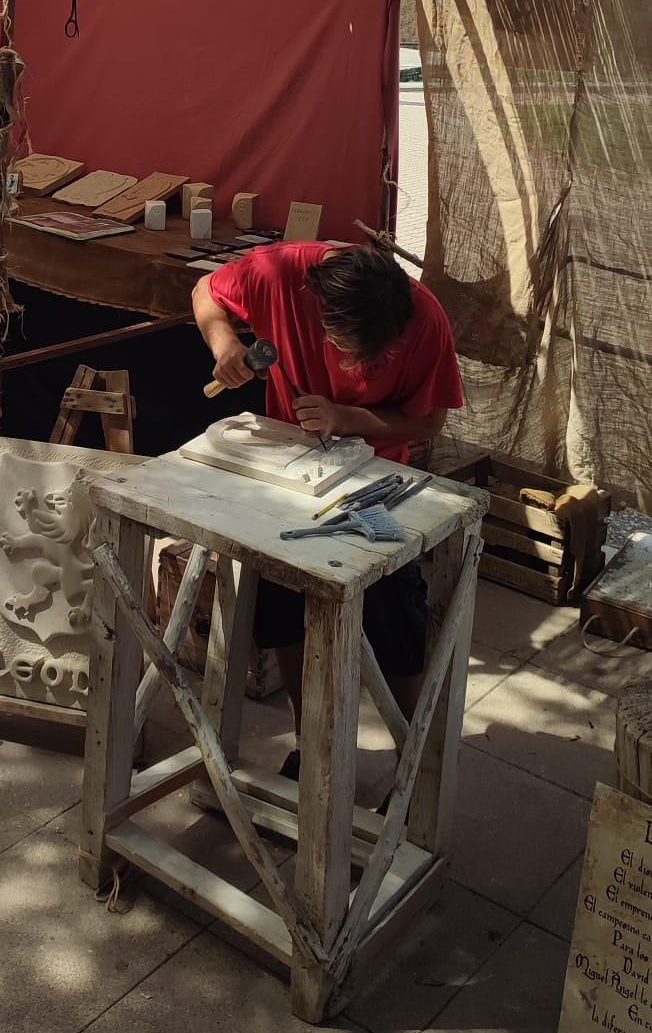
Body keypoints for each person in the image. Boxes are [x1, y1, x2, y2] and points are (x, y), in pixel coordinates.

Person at [192, 241, 463, 780]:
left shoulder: (424, 317)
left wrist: (347, 416)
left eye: (370, 360)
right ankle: (310, 742)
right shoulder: (281, 273)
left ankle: (416, 768)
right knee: (285, 607)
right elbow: (205, 290)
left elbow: (428, 424)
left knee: (391, 618)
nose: (350, 364)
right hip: (289, 474)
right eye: (344, 348)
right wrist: (224, 341)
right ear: (321, 311)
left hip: (378, 484)